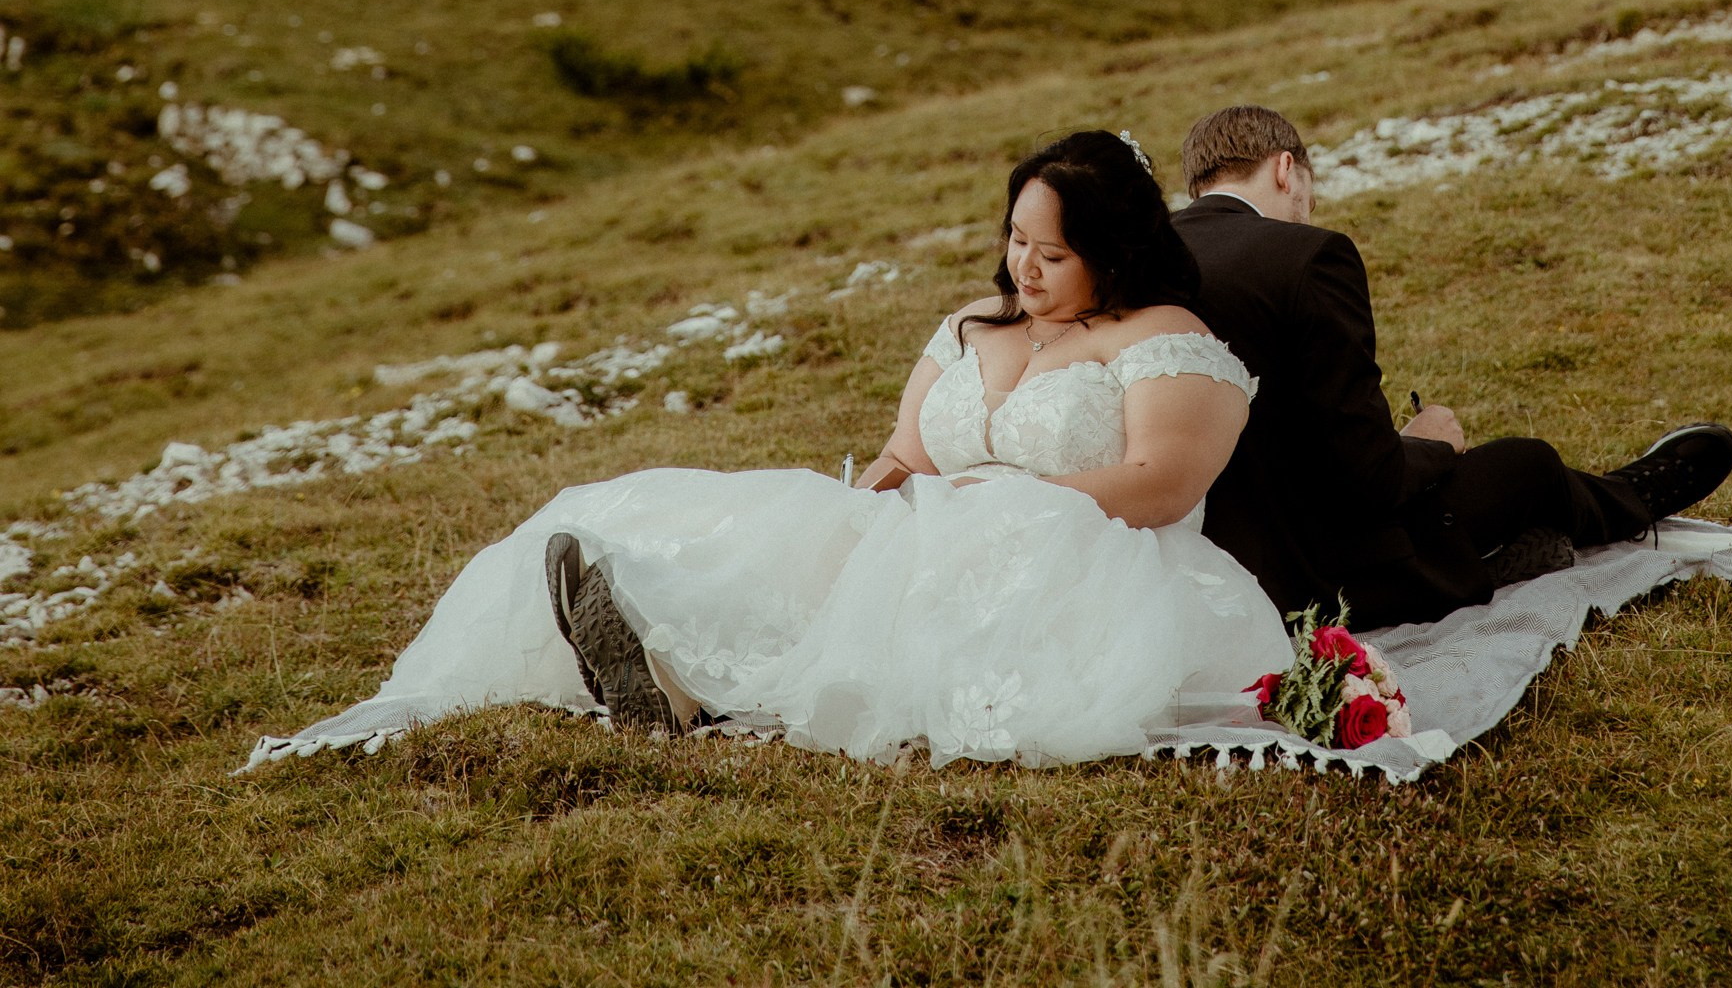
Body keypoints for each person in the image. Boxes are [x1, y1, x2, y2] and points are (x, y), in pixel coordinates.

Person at [247, 131, 1290, 771]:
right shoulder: (977, 322)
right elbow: (901, 449)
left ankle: (685, 683)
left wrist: (1003, 508)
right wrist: (866, 504)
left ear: (1112, 249)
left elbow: (1164, 482)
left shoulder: (1161, 339)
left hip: (1077, 558)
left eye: (1049, 251)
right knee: (776, 528)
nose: (1021, 264)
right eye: (1015, 238)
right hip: (932, 530)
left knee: (891, 616)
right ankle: (647, 625)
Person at [1175, 104, 1732, 630]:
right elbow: (1369, 479)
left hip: (1199, 563)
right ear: (1285, 170)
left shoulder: (1143, 261)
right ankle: (1633, 498)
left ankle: (1546, 532)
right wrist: (1428, 443)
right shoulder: (1307, 255)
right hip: (1319, 574)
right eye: (1308, 198)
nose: (1305, 213)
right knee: (1528, 464)